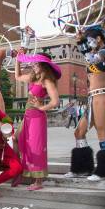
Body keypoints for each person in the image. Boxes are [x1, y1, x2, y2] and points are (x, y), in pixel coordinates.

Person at [65, 26, 105, 181]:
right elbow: (89, 57)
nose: (88, 43)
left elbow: (92, 59)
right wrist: (81, 40)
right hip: (92, 98)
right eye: (87, 41)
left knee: (102, 132)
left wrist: (81, 42)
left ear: (99, 38)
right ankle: (81, 168)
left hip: (102, 96)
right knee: (79, 132)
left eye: (90, 40)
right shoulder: (94, 53)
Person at [14, 51, 61, 190]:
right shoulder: (33, 78)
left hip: (37, 118)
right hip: (27, 116)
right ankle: (19, 171)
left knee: (36, 147)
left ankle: (38, 181)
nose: (33, 65)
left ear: (43, 65)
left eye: (36, 63)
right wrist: (18, 60)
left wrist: (41, 108)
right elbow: (17, 76)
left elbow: (55, 102)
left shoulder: (47, 81)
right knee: (17, 139)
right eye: (33, 63)